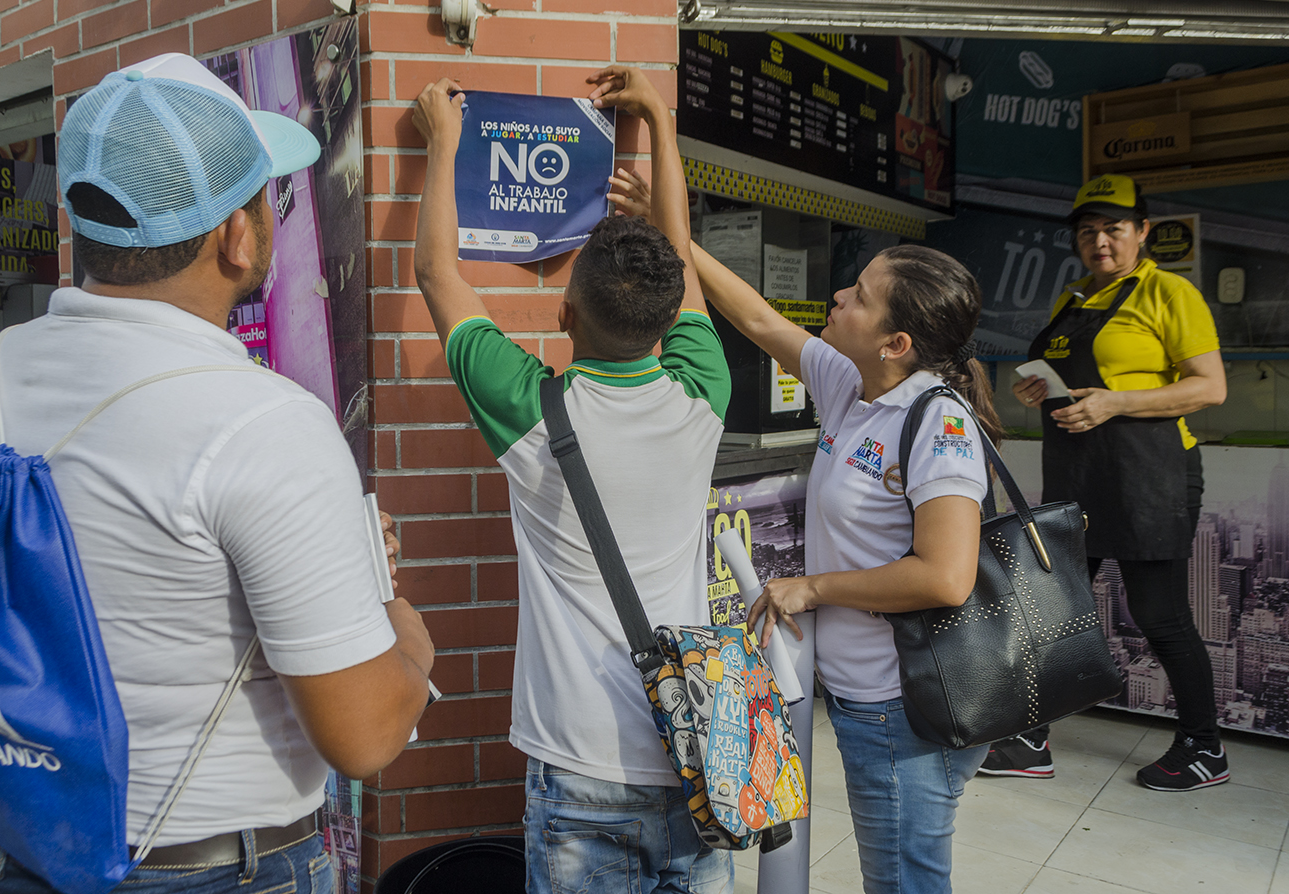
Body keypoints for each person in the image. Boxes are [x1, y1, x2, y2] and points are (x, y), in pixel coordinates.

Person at [0, 53, 435, 892]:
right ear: (239, 235)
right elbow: (367, 734)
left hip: (2, 856)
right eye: (267, 198)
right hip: (203, 872)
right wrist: (396, 615)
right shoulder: (265, 421)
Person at [410, 67, 733, 894]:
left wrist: (443, 144)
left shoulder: (530, 409)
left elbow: (438, 276)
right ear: (670, 324)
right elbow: (686, 272)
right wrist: (659, 119)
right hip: (700, 753)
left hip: (580, 765)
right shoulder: (704, 391)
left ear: (564, 315)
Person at [684, 224, 1000, 893]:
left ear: (897, 343)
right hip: (869, 700)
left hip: (905, 706)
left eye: (858, 296)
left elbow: (946, 577)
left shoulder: (937, 426)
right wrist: (673, 234)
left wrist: (814, 588)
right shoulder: (852, 387)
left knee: (902, 884)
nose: (837, 297)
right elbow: (756, 317)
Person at [982, 174, 1227, 791]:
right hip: (1079, 476)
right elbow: (1068, 380)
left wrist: (1115, 402)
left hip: (1150, 476)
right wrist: (1033, 387)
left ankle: (1204, 748)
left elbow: (1209, 387)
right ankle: (1031, 740)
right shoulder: (1075, 300)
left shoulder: (1168, 293)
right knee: (1054, 608)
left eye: (1114, 229)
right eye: (1087, 231)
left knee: (1159, 613)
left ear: (1142, 231)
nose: (1100, 242)